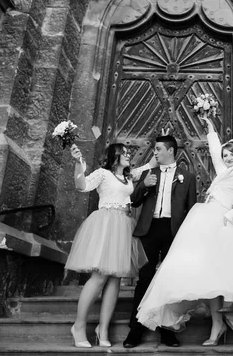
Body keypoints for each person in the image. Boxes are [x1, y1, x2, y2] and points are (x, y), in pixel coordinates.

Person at [135, 116, 233, 346]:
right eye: (226, 155)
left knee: (219, 276)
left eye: (232, 154)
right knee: (206, 274)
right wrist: (211, 127)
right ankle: (216, 325)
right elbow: (215, 152)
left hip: (222, 221)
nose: (228, 158)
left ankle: (222, 325)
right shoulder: (224, 171)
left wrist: (229, 216)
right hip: (204, 220)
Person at [65, 143, 151, 348]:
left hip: (124, 226)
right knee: (99, 276)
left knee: (115, 279)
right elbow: (82, 186)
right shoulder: (103, 174)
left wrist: (163, 138)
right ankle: (78, 325)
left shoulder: (129, 177)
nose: (128, 155)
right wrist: (78, 162)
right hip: (105, 225)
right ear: (114, 156)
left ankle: (102, 329)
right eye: (125, 153)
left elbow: (150, 164)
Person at [123, 134, 197, 348]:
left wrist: (189, 237)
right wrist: (144, 185)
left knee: (170, 282)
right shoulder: (148, 172)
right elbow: (134, 201)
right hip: (149, 230)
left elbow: (191, 209)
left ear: (170, 151)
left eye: (158, 149)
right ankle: (135, 330)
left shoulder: (188, 176)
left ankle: (168, 331)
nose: (154, 153)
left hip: (173, 232)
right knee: (144, 279)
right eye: (154, 149)